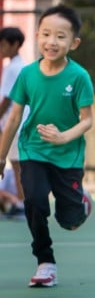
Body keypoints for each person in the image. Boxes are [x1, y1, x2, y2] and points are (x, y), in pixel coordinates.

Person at [0, 6, 94, 288]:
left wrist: (65, 137)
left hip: (68, 155)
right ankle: (45, 261)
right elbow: (14, 116)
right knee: (35, 202)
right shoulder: (27, 74)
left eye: (60, 36)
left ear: (73, 43)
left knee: (70, 220)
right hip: (33, 150)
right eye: (46, 34)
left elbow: (87, 120)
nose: (52, 41)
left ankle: (81, 203)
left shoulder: (79, 77)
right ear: (38, 36)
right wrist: (1, 157)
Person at [0, 26, 28, 216]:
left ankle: (23, 204)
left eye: (3, 45)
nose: (1, 49)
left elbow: (7, 99)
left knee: (17, 165)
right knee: (18, 164)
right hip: (18, 124)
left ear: (15, 45)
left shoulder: (14, 68)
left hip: (16, 125)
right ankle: (22, 202)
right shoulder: (19, 65)